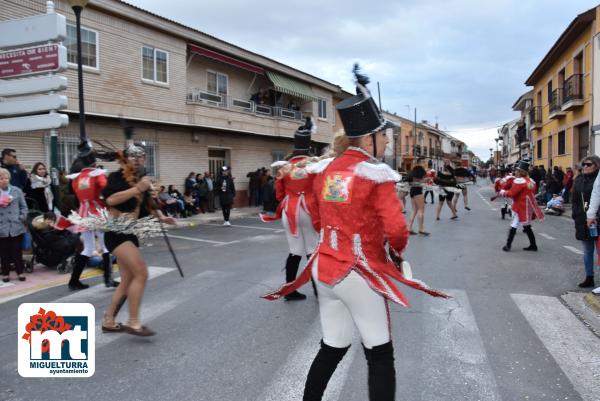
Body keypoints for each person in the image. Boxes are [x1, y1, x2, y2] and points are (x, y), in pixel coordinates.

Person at [262, 65, 448, 401]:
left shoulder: (325, 169)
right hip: (358, 271)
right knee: (379, 351)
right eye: (385, 136)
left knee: (333, 344)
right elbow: (396, 229)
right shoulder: (373, 174)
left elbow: (317, 216)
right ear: (369, 138)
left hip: (325, 266)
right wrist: (395, 254)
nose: (387, 141)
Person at [101, 140, 176, 336]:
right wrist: (138, 189)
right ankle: (134, 322)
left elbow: (145, 207)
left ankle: (109, 320)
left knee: (127, 280)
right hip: (116, 232)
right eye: (133, 156)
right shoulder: (117, 177)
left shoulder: (141, 179)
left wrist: (161, 217)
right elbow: (111, 199)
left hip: (131, 233)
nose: (137, 160)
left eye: (141, 156)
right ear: (125, 158)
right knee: (141, 273)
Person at [260, 117, 320, 301]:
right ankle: (319, 291)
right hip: (309, 210)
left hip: (290, 210)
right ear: (308, 146)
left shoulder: (284, 167)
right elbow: (319, 190)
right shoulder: (314, 164)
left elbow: (279, 195)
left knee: (295, 251)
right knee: (312, 250)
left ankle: (289, 290)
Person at [499, 160, 543, 252]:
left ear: (520, 172)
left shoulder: (519, 181)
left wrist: (503, 192)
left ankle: (508, 245)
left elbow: (512, 193)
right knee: (527, 226)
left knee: (514, 224)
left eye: (517, 170)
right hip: (528, 206)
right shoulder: (530, 182)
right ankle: (533, 245)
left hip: (519, 206)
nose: (515, 172)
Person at [573, 156, 600, 288]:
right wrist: (576, 215)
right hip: (583, 219)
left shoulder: (598, 179)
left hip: (596, 219)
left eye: (588, 164)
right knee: (587, 250)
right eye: (583, 164)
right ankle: (589, 277)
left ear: (596, 165)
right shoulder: (579, 179)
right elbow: (575, 199)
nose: (585, 166)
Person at [0, 167, 28, 282]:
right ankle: (5, 273)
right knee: (4, 252)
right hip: (2, 227)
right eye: (1, 178)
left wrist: (21, 218)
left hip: (16, 226)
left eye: (6, 178)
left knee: (17, 251)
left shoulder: (16, 190)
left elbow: (23, 206)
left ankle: (20, 272)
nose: (4, 180)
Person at [407, 159, 429, 236]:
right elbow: (420, 181)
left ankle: (409, 228)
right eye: (424, 161)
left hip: (412, 190)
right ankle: (421, 229)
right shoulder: (420, 169)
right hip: (418, 191)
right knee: (421, 210)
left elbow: (410, 181)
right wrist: (427, 180)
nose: (425, 163)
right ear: (421, 162)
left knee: (414, 210)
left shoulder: (413, 170)